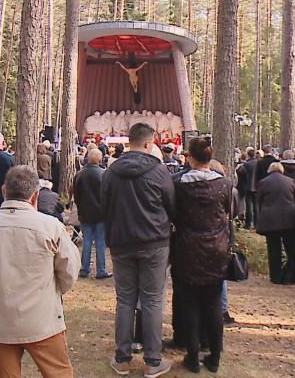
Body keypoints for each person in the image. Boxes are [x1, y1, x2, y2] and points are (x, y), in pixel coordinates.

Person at [0, 166, 80, 378]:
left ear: (4, 191)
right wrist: (53, 291)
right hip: (43, 319)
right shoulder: (51, 227)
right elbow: (69, 271)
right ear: (35, 195)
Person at [102, 122, 175, 378]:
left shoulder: (110, 173)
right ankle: (153, 361)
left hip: (122, 242)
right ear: (147, 144)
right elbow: (171, 205)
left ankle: (122, 358)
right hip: (154, 243)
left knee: (125, 300)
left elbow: (105, 206)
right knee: (152, 300)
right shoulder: (159, 172)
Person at [170, 137, 231, 374]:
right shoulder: (224, 184)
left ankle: (193, 356)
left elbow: (174, 213)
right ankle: (214, 356)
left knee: (191, 304)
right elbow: (227, 211)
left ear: (190, 157)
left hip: (187, 248)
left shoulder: (180, 185)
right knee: (213, 304)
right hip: (216, 247)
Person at [256, 162, 295, 284]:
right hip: (289, 218)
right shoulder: (290, 181)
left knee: (273, 248)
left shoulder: (263, 182)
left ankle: (275, 275)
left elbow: (259, 200)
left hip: (271, 219)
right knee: (292, 248)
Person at [73, 148, 111, 279]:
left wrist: (80, 208)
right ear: (100, 159)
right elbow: (108, 195)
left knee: (87, 241)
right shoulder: (104, 174)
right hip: (100, 213)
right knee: (100, 242)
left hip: (85, 213)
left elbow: (76, 195)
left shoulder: (79, 174)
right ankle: (101, 270)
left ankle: (85, 268)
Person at [241, 147, 258, 228]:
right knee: (255, 205)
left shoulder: (246, 164)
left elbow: (242, 175)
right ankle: (256, 223)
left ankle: (248, 223)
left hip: (247, 186)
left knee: (249, 206)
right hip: (256, 186)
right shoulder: (258, 163)